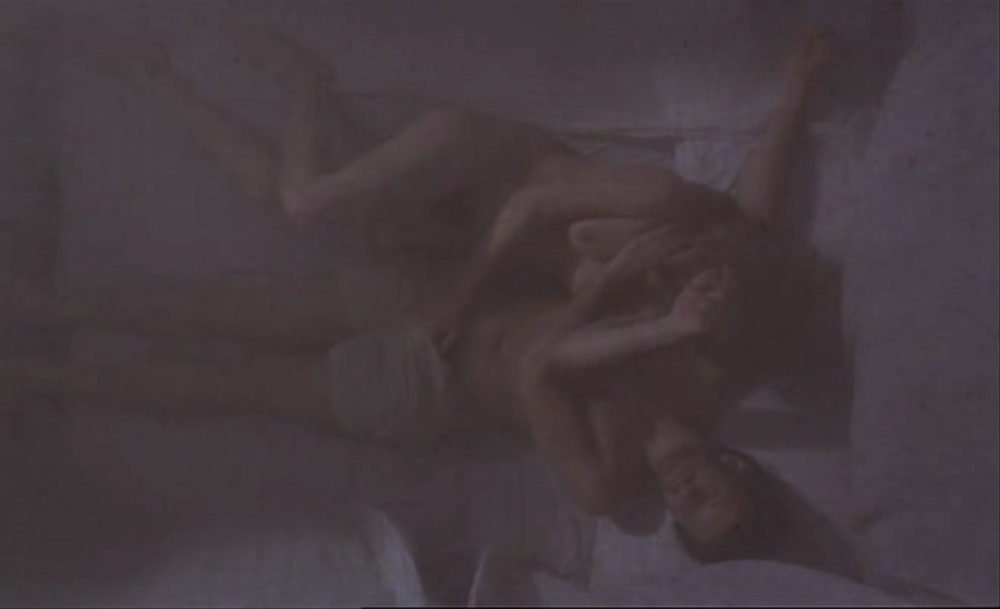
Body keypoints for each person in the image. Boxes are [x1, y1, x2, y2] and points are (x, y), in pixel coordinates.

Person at [3, 21, 831, 561]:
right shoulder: (709, 361)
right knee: (220, 309)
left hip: (430, 385)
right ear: (736, 463)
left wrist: (638, 311)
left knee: (232, 385)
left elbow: (540, 370)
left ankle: (39, 375)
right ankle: (50, 308)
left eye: (689, 519)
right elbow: (744, 230)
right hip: (438, 292)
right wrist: (798, 90)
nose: (686, 498)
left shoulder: (613, 482)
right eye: (712, 497)